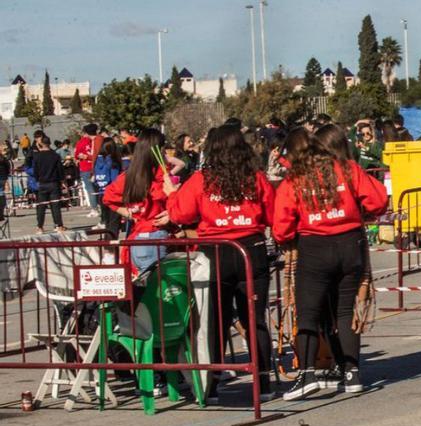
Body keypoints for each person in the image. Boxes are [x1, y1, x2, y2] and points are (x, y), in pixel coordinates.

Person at [274, 126, 388, 400]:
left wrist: (290, 236)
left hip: (315, 248)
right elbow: (378, 200)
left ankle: (307, 375)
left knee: (308, 313)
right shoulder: (346, 168)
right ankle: (351, 373)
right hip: (350, 245)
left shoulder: (296, 178)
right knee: (345, 312)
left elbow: (281, 226)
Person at [163, 125, 276, 400]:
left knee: (214, 321)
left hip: (217, 251)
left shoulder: (202, 179)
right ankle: (262, 382)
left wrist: (171, 193)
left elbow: (181, 213)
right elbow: (272, 212)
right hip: (251, 249)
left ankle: (211, 384)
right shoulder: (256, 177)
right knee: (254, 318)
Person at [102, 129, 171, 267]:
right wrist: (130, 213)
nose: (166, 152)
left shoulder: (130, 175)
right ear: (158, 149)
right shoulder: (158, 177)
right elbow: (108, 198)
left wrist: (131, 213)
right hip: (153, 237)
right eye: (164, 148)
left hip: (140, 238)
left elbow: (108, 198)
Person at [29, 136, 65, 233]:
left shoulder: (37, 156)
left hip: (42, 183)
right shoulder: (55, 156)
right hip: (54, 182)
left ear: (41, 144)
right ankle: (59, 225)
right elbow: (60, 170)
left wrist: (37, 179)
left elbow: (35, 170)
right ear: (50, 143)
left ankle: (40, 226)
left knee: (41, 206)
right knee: (56, 205)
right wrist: (62, 181)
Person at [92, 138, 124, 238]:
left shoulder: (98, 160)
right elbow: (115, 180)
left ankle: (106, 243)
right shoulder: (113, 161)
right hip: (113, 195)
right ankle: (111, 246)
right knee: (114, 223)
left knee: (107, 222)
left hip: (101, 194)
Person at [74, 123, 103, 218]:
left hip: (87, 168)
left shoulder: (85, 141)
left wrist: (85, 157)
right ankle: (99, 207)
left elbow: (77, 155)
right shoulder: (98, 139)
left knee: (90, 189)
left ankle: (94, 208)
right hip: (96, 167)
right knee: (98, 188)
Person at [0, 145, 10, 226]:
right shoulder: (4, 159)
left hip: (2, 178)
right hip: (3, 178)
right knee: (1, 194)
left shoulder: (4, 158)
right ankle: (1, 213)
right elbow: (8, 168)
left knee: (1, 194)